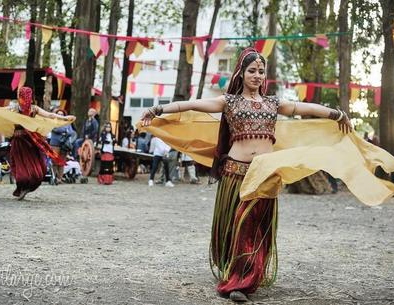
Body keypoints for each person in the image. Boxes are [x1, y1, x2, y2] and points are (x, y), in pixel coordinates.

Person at [141, 48, 353, 302]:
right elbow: (194, 105)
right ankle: (237, 275)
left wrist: (337, 114)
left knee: (251, 227)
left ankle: (243, 280)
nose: (257, 75)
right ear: (241, 73)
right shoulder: (228, 102)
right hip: (235, 173)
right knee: (237, 226)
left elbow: (305, 107)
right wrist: (157, 109)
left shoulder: (274, 103)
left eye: (261, 71)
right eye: (252, 70)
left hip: (264, 174)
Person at [50, 108, 76, 183]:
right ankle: (54, 177)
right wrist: (65, 130)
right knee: (54, 161)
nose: (60, 115)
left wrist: (65, 130)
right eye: (59, 114)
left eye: (62, 114)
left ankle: (59, 178)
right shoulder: (53, 121)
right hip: (55, 144)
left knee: (61, 162)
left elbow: (71, 132)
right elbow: (55, 129)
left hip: (64, 145)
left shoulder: (67, 122)